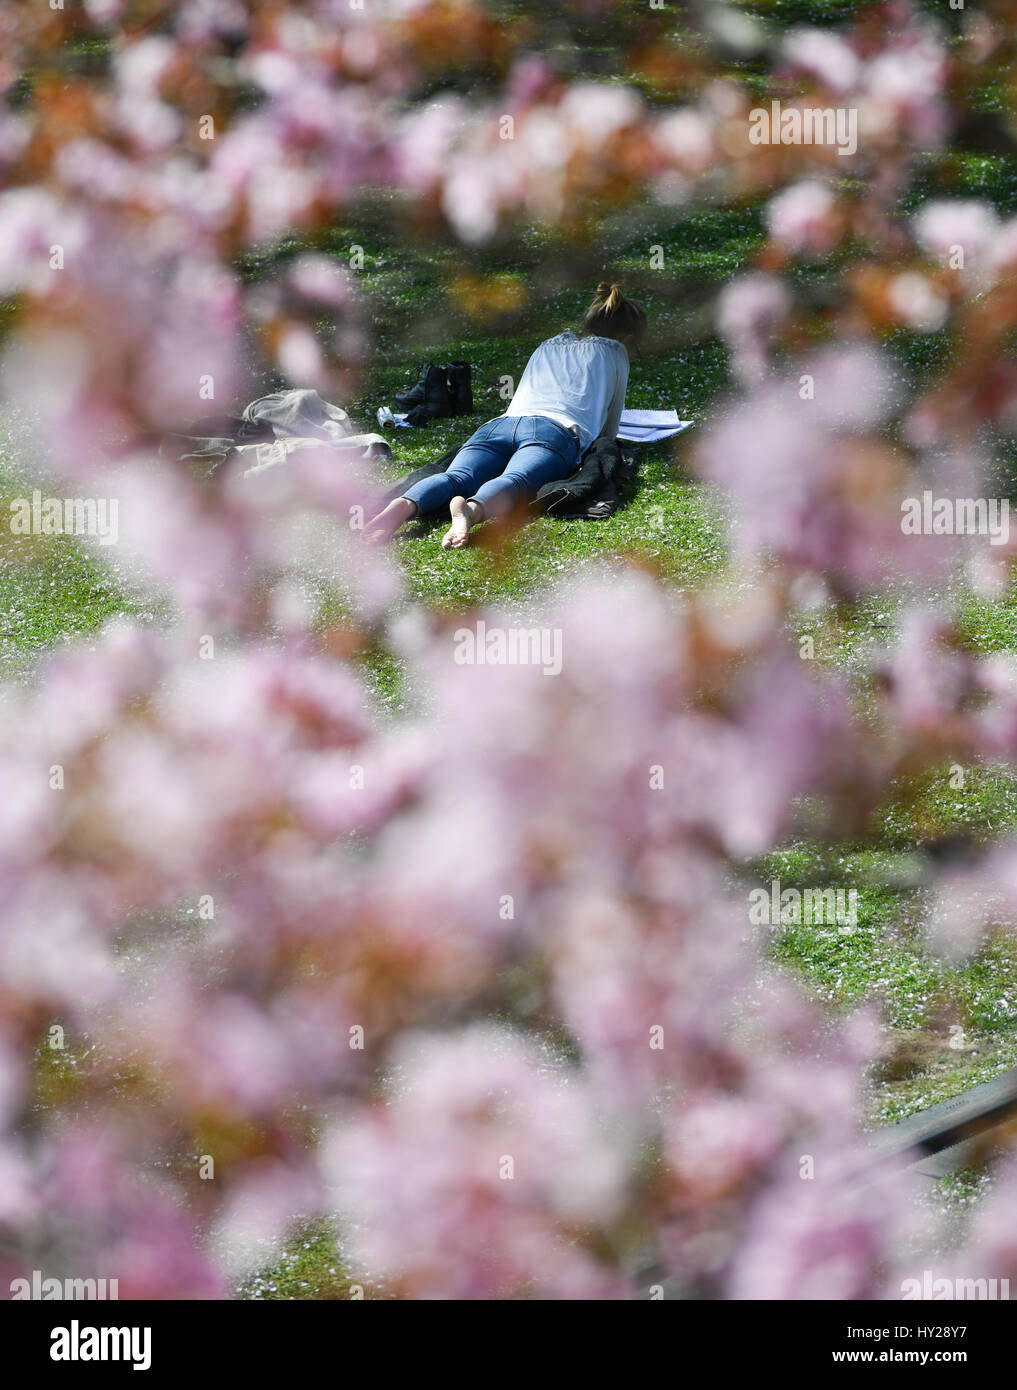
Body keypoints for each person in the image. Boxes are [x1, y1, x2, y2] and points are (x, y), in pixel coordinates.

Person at [364, 282, 647, 547]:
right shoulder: (615, 352)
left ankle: (400, 507)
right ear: (629, 338)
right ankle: (471, 511)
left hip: (500, 426)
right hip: (554, 432)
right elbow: (608, 432)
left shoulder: (550, 344)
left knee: (457, 476)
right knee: (516, 480)